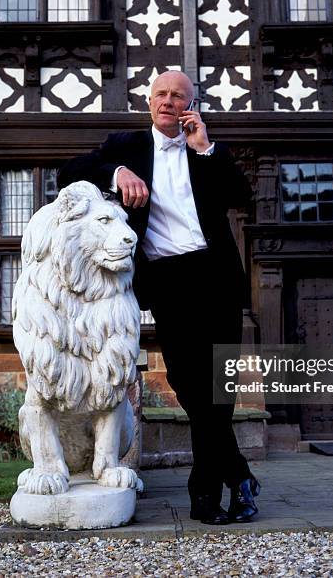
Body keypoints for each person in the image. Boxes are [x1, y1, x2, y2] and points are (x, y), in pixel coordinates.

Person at [58, 70, 260, 525]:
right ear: (150, 101)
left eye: (178, 96)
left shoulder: (203, 149)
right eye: (161, 94)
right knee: (191, 388)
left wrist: (205, 148)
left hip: (216, 276)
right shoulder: (124, 146)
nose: (168, 101)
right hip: (167, 280)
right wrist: (115, 171)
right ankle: (241, 475)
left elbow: (241, 195)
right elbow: (67, 172)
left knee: (218, 389)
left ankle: (205, 494)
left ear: (191, 104)